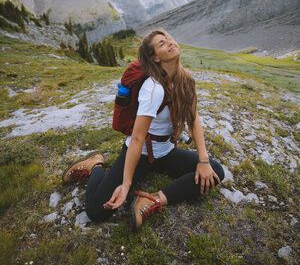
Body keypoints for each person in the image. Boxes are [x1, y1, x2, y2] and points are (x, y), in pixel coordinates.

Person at [62, 29, 225, 230]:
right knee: (95, 212)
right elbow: (138, 139)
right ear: (156, 57)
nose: (170, 43)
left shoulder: (185, 79)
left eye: (169, 39)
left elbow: (193, 119)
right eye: (162, 44)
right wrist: (126, 184)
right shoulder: (153, 89)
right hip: (141, 153)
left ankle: (151, 200)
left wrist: (203, 160)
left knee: (215, 171)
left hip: (165, 152)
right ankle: (94, 166)